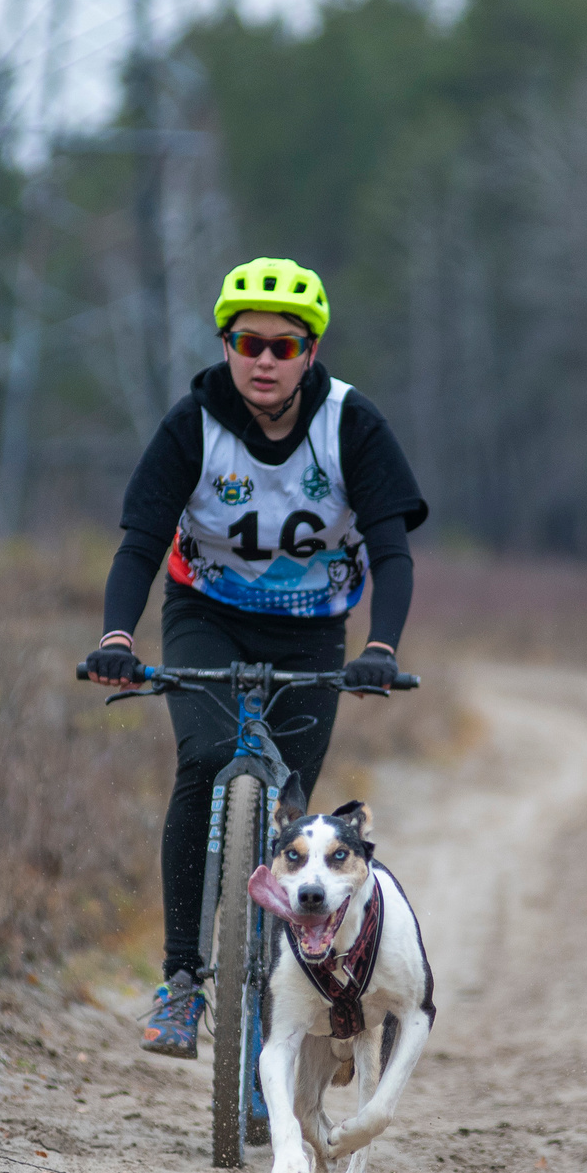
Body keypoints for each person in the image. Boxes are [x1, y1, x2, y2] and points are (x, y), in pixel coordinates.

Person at [86, 257, 427, 1057]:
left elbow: (392, 549)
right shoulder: (192, 425)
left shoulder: (351, 424)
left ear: (311, 352)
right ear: (226, 347)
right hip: (206, 614)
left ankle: (297, 985)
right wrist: (116, 638)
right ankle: (181, 981)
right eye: (248, 343)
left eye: (284, 345)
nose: (264, 360)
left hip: (312, 628)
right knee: (205, 760)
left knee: (291, 810)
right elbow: (140, 542)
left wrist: (380, 647)